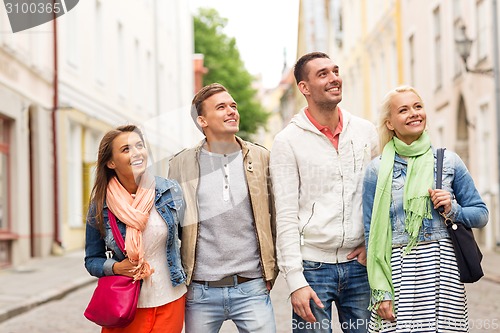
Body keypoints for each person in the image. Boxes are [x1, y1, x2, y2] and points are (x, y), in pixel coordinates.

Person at [362, 85, 488, 332]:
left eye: (418, 106)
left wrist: (453, 209)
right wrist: (381, 291)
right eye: (404, 110)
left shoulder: (448, 161)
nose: (414, 113)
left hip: (443, 270)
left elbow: (481, 214)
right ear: (389, 123)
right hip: (398, 272)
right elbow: (371, 234)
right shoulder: (376, 171)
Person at [270, 52, 379, 333]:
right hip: (312, 269)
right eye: (323, 74)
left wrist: (372, 244)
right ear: (304, 87)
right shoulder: (287, 141)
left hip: (359, 266)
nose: (334, 78)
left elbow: (380, 196)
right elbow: (285, 214)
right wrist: (295, 280)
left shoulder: (366, 132)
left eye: (335, 71)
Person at [168, 83, 277, 333]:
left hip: (252, 286)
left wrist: (272, 269)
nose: (231, 111)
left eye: (233, 106)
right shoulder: (180, 164)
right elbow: (173, 226)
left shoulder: (261, 158)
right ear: (202, 120)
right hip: (200, 291)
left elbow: (275, 217)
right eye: (221, 107)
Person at [84, 125, 187, 333]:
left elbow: (189, 242)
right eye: (126, 149)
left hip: (170, 300)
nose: (137, 152)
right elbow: (91, 260)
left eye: (139, 145)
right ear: (111, 163)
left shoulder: (169, 191)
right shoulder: (100, 205)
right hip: (124, 306)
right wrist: (115, 267)